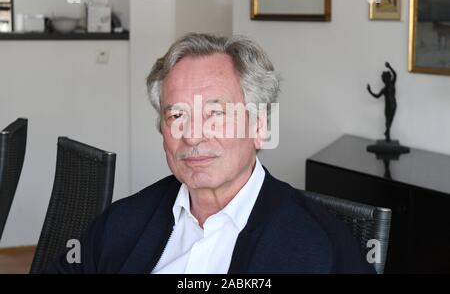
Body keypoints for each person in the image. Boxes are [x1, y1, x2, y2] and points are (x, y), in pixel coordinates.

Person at [47, 33, 374, 274]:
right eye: (176, 116)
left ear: (259, 126)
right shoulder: (122, 223)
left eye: (215, 114)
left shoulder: (320, 248)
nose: (192, 135)